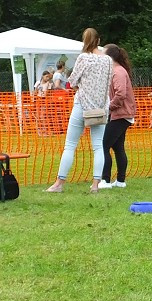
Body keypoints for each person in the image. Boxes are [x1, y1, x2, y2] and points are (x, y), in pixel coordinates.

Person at [46, 28, 112, 194]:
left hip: (82, 105)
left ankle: (59, 183)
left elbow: (72, 80)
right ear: (98, 40)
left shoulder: (84, 58)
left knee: (70, 145)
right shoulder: (108, 60)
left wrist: (79, 84)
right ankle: (96, 184)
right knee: (98, 147)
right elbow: (109, 80)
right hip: (100, 107)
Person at [99, 44, 135, 189]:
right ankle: (120, 181)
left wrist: (108, 107)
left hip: (120, 114)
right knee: (118, 147)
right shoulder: (116, 70)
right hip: (121, 114)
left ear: (109, 56)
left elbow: (121, 94)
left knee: (103, 145)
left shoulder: (118, 72)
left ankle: (105, 180)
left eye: (103, 53)